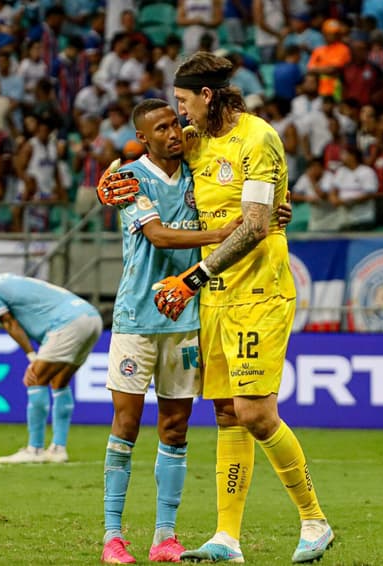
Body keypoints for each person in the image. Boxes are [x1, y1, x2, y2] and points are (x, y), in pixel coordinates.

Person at [150, 52, 333, 563]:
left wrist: (194, 276)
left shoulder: (258, 137)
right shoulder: (195, 140)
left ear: (207, 96)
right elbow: (146, 154)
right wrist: (115, 174)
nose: (180, 112)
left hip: (258, 291)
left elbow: (255, 225)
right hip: (217, 295)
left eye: (184, 101)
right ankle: (226, 538)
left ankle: (314, 520)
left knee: (255, 411)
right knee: (228, 412)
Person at [99, 99, 241, 564]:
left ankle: (165, 535)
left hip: (185, 320)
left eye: (176, 124)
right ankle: (113, 536)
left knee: (176, 428)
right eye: (161, 128)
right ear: (144, 138)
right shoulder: (131, 180)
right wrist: (221, 237)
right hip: (137, 318)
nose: (173, 132)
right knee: (126, 424)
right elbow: (158, 235)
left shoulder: (198, 172)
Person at [0, 274, 103, 464]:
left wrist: (32, 357)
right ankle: (58, 449)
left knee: (35, 378)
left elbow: (9, 322)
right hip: (91, 318)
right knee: (59, 381)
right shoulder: (4, 283)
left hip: (68, 322)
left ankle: (35, 449)